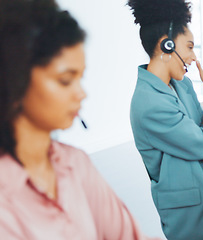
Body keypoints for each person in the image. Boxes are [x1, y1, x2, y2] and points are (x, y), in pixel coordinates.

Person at [0, 1, 160, 239]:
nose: (81, 93)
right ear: (15, 81)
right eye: (65, 80)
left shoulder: (75, 164)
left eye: (80, 78)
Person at [127, 0, 203, 239]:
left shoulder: (182, 85)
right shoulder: (150, 104)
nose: (193, 57)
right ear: (166, 46)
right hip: (191, 216)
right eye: (189, 47)